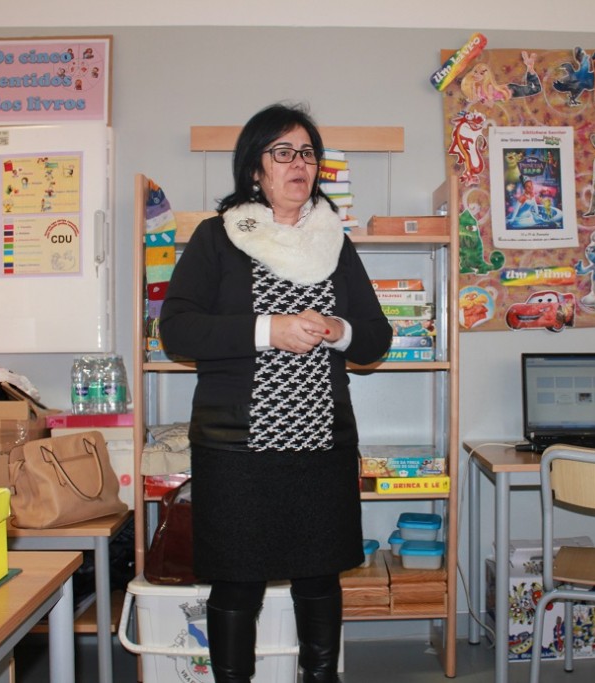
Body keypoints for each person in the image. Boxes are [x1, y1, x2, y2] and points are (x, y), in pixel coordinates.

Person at [159, 103, 392, 683]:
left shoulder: (334, 241)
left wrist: (337, 331)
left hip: (321, 444)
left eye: (307, 153)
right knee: (237, 583)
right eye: (282, 152)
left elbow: (376, 339)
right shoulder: (219, 237)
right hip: (236, 449)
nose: (299, 163)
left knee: (319, 578)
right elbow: (177, 331)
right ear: (254, 169)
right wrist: (270, 330)